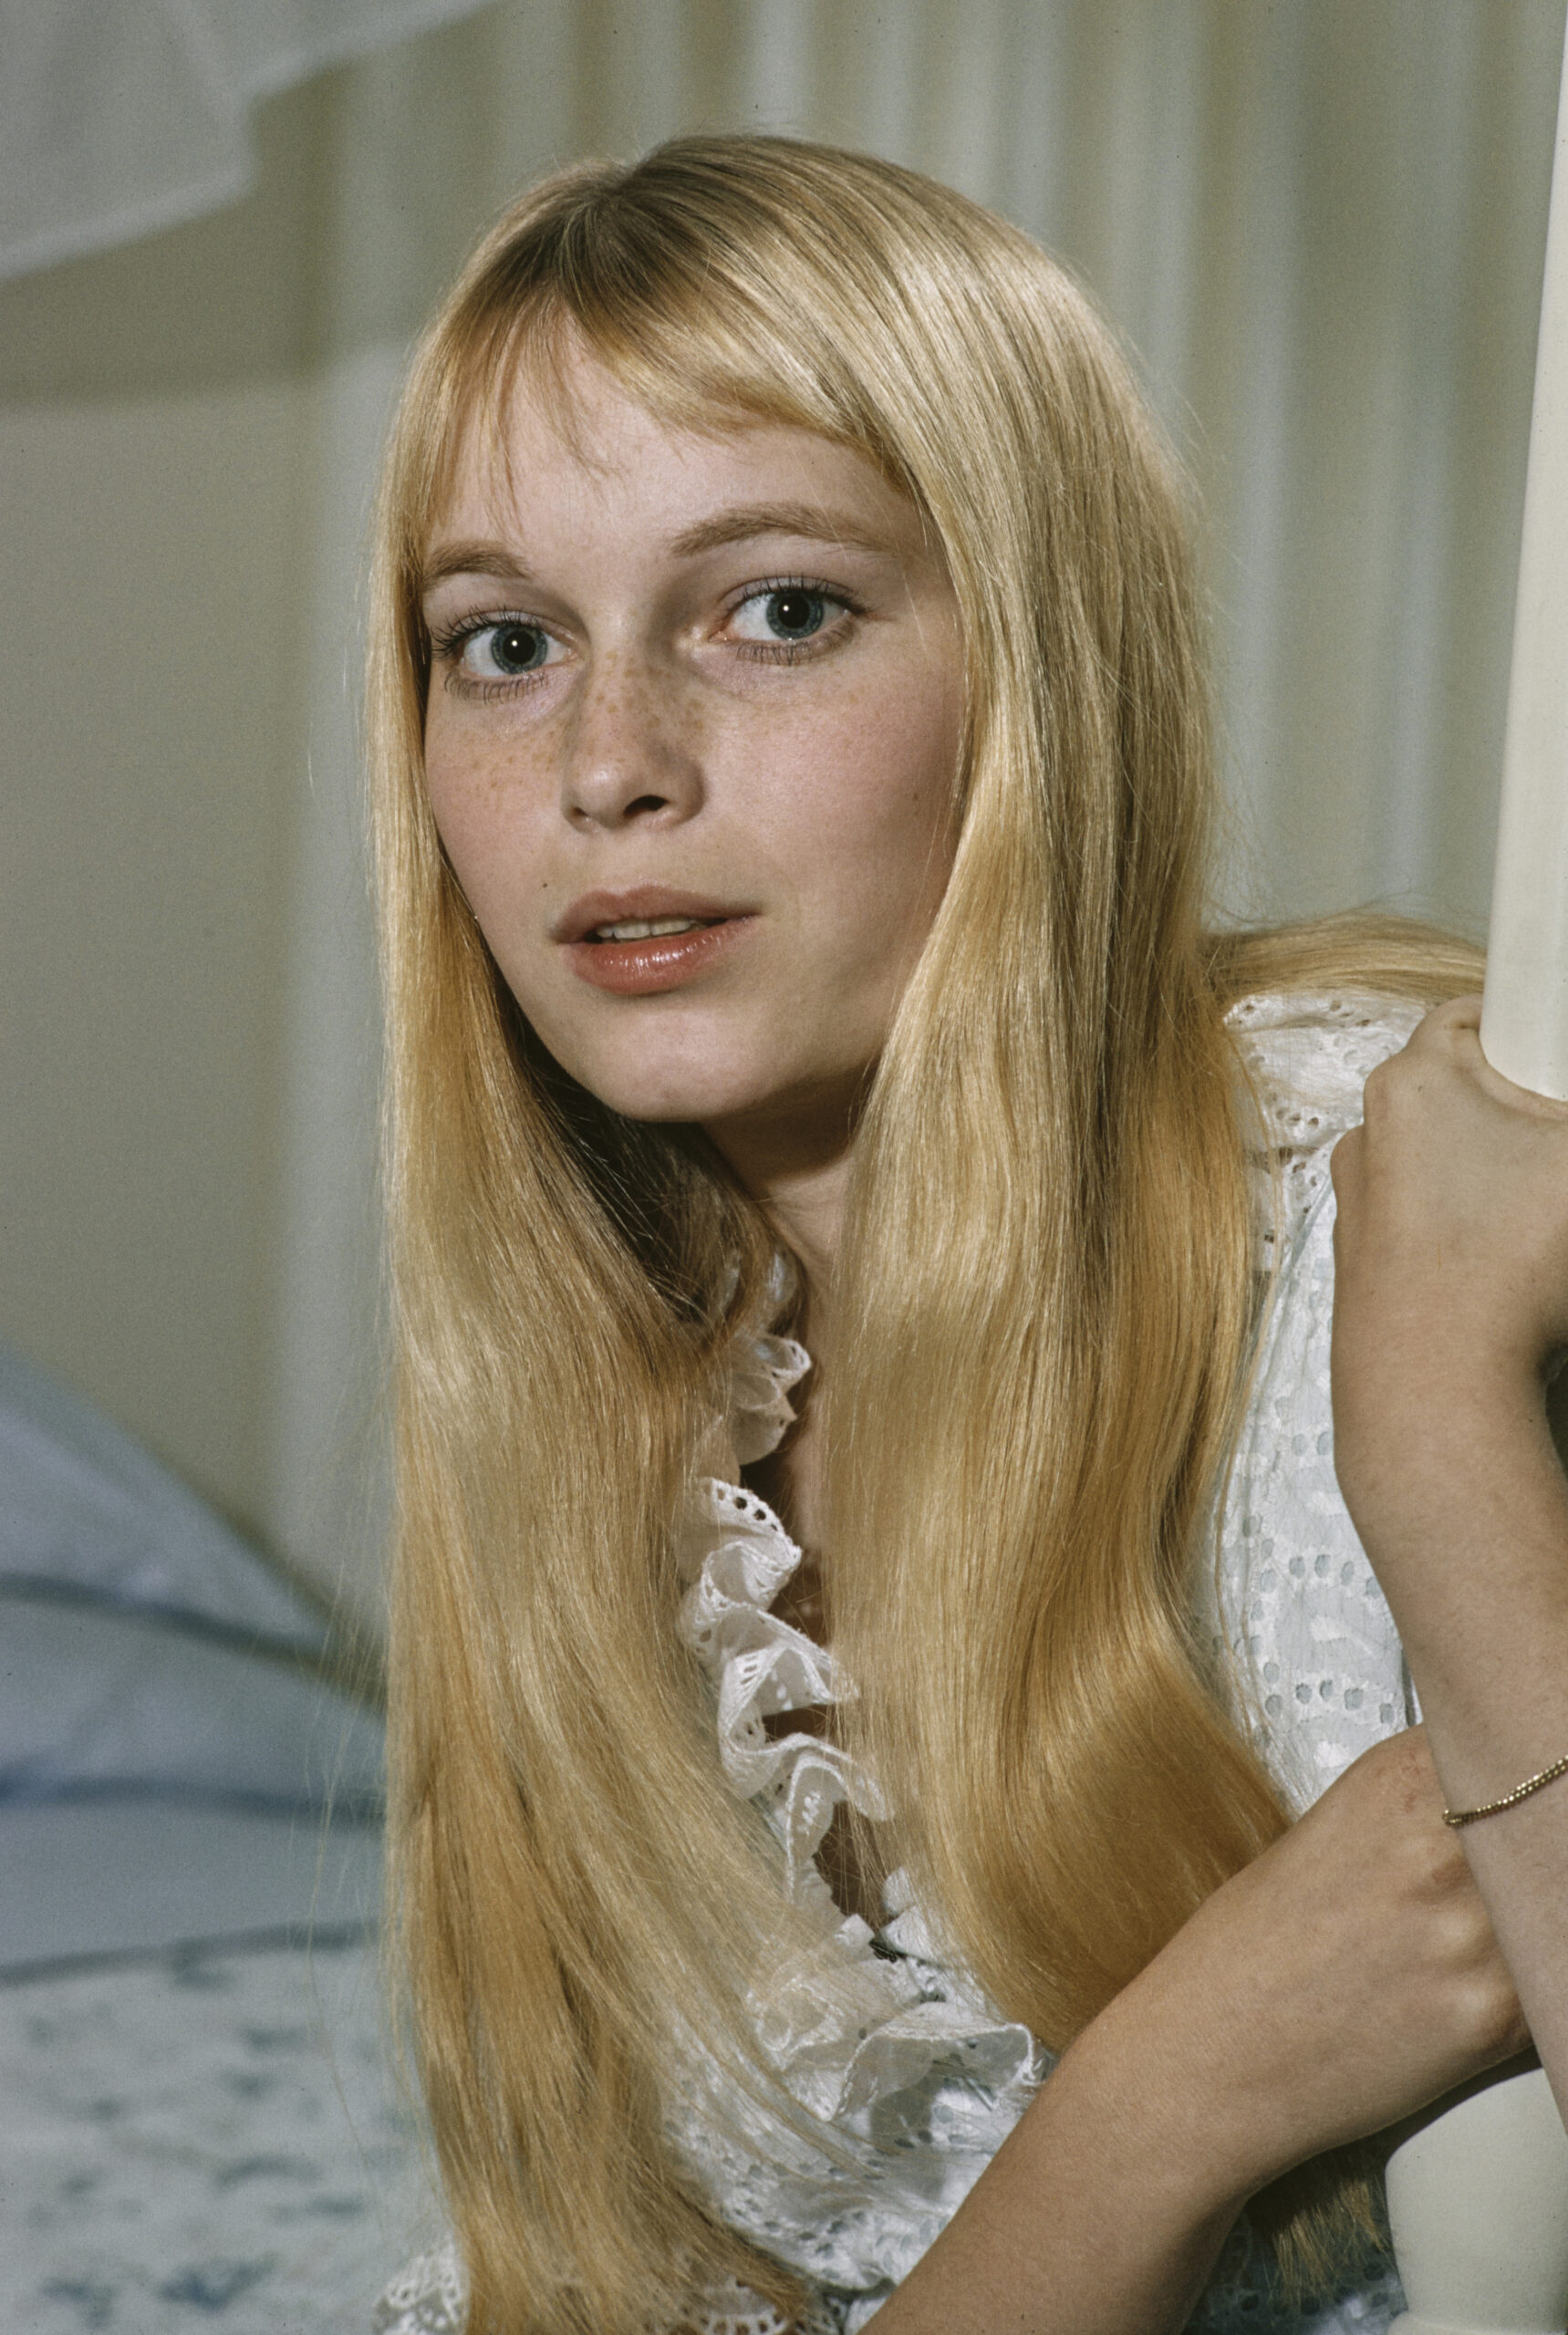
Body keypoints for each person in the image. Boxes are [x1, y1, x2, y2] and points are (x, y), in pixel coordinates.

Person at [364, 137, 1568, 2335]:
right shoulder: (584, 1380)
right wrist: (1161, 2107)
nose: (606, 762)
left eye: (778, 608)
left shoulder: (1410, 1204)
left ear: (1037, 666)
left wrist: (1437, 1437)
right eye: (505, 641)